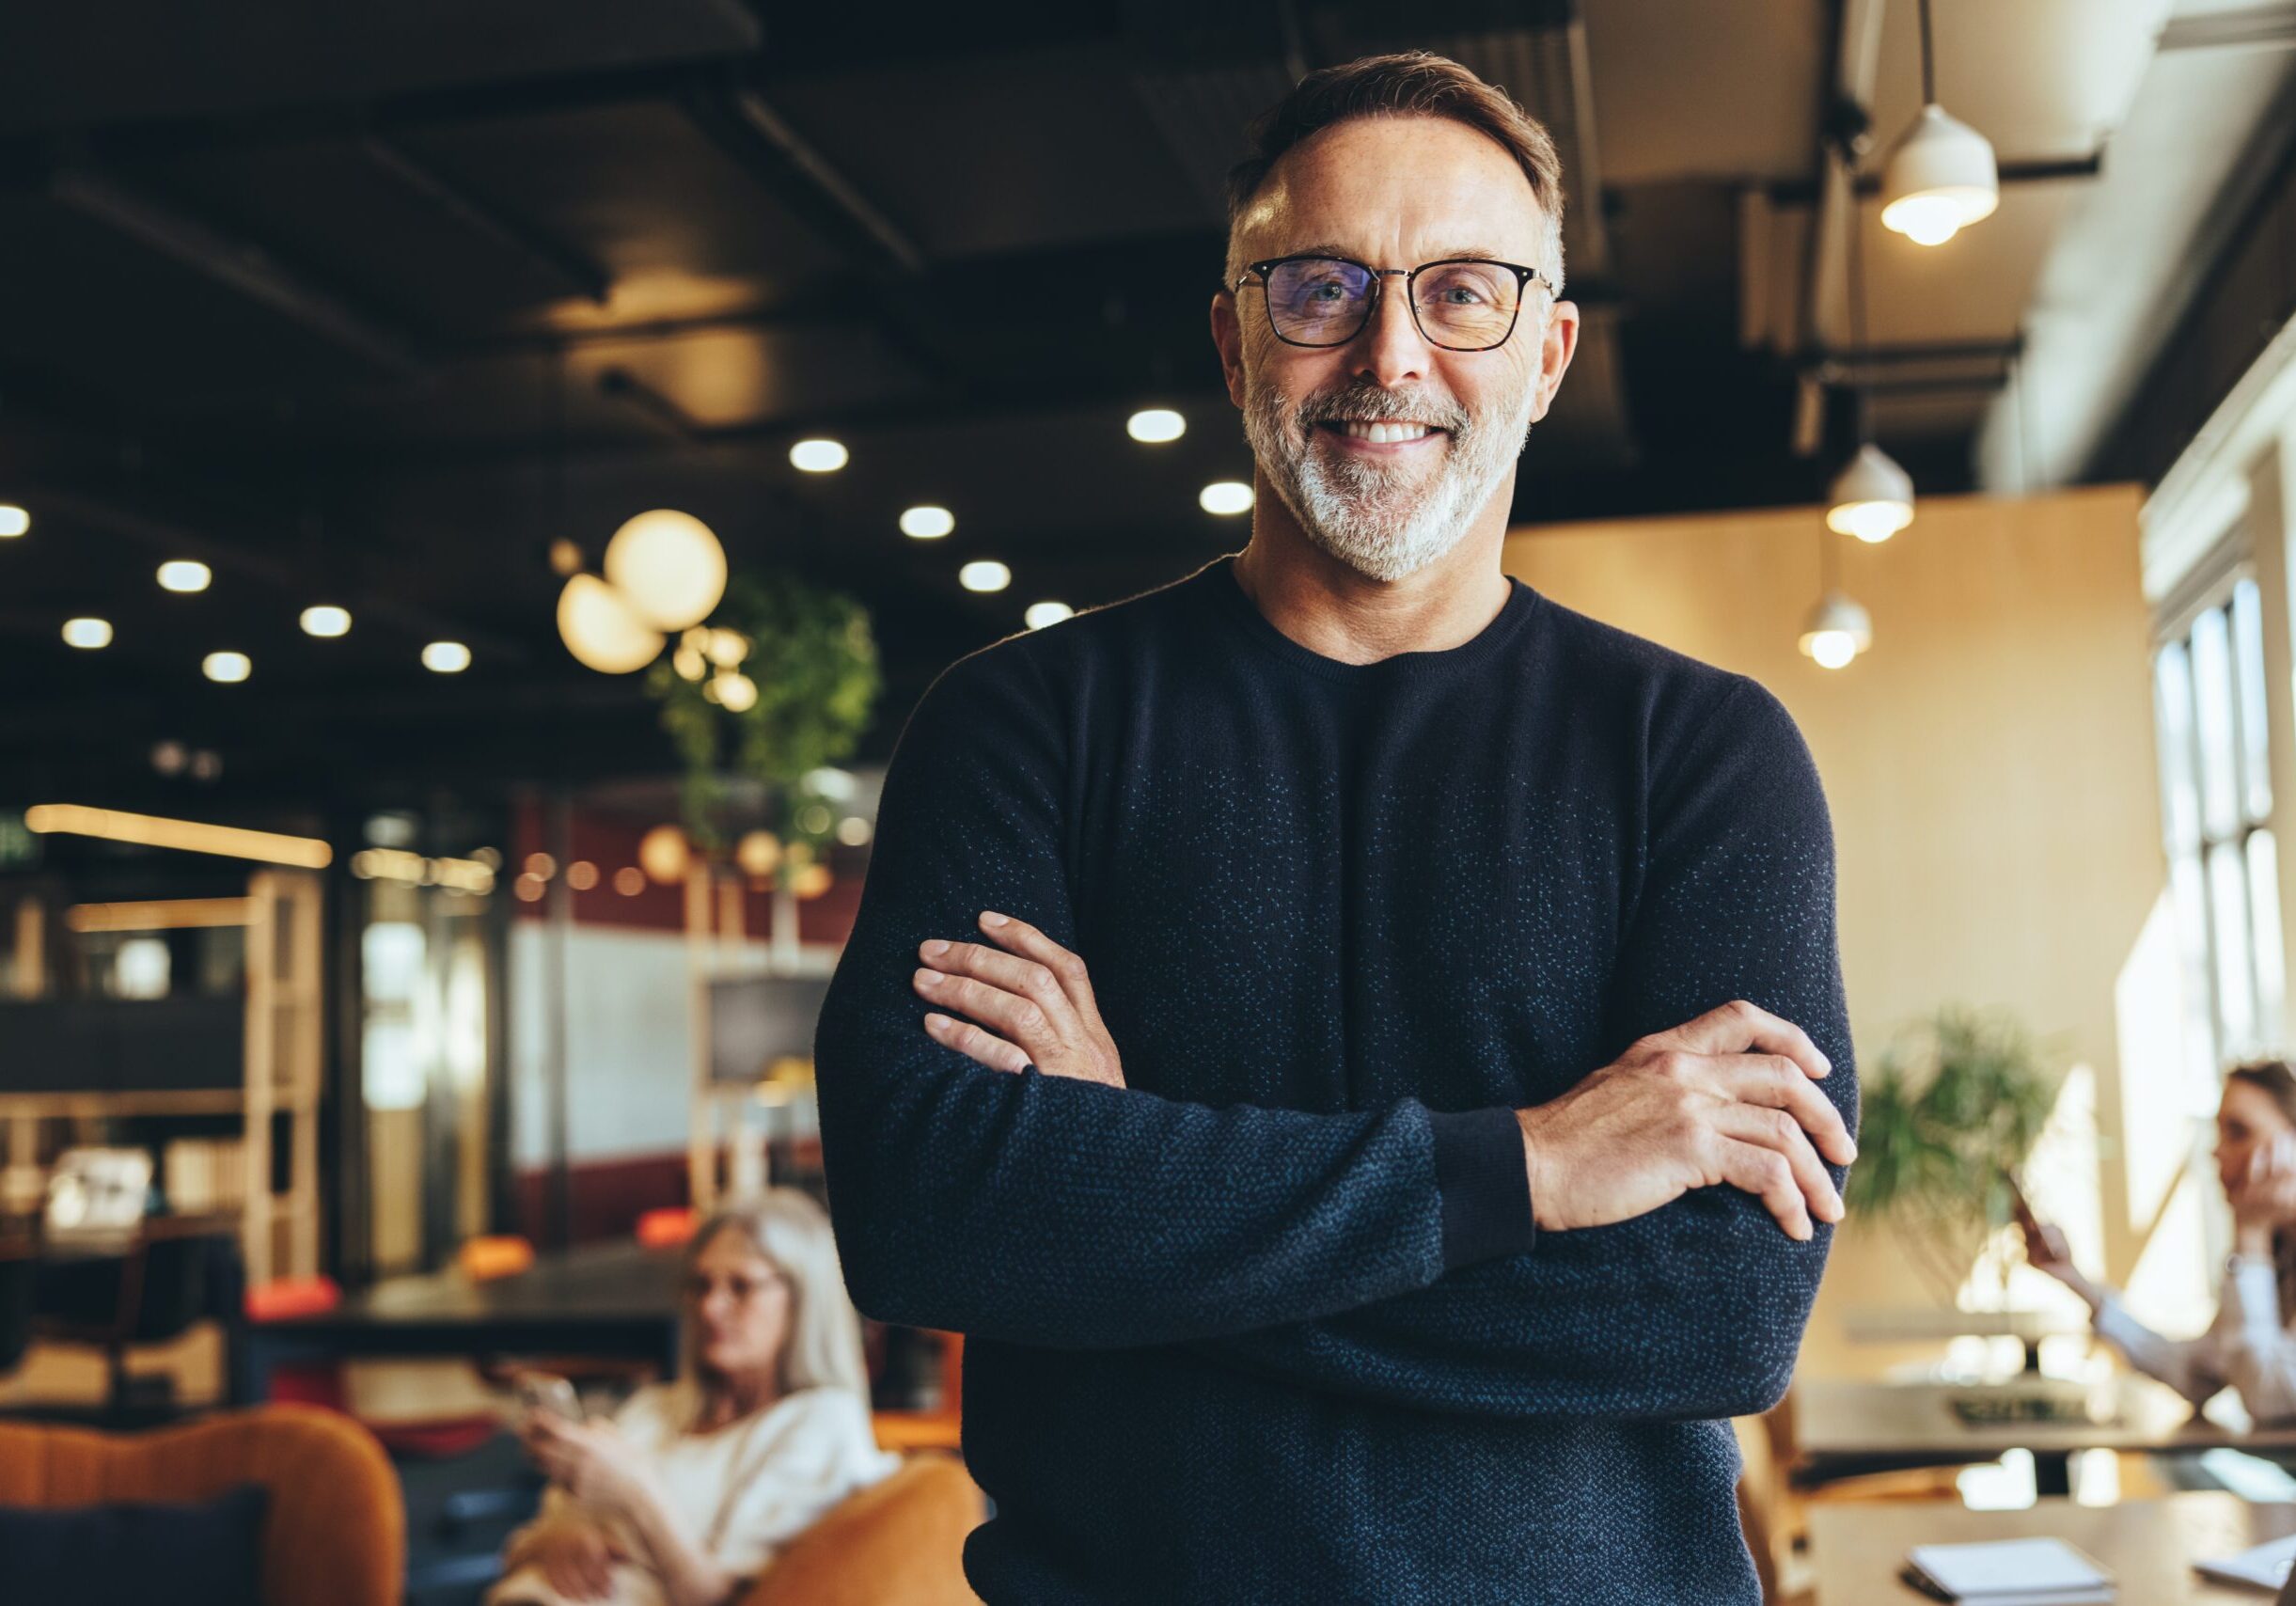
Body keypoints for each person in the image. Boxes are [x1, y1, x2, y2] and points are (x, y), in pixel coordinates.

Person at [812, 50, 1859, 1606]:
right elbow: (924, 1211)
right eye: (1319, 288)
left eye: (1461, 292)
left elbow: (1715, 1317)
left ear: (1548, 350)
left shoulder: (1699, 753)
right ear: (1234, 337)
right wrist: (1534, 1164)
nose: (1389, 354)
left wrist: (1128, 1190)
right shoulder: (1020, 722)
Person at [488, 1191, 901, 1606]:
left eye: (740, 1287)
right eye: (701, 1285)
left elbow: (724, 1600)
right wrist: (559, 1536)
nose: (710, 1308)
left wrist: (634, 1492)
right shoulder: (653, 1408)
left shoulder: (819, 1423)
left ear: (803, 1300)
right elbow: (516, 1548)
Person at [2020, 1060, 2296, 1421]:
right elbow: (2196, 1373)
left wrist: (2252, 1236)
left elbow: (2270, 1398)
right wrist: (2076, 1280)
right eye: (2219, 1131)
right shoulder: (2277, 1255)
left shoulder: (2257, 1245)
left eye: (2239, 1132)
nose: (2217, 1152)